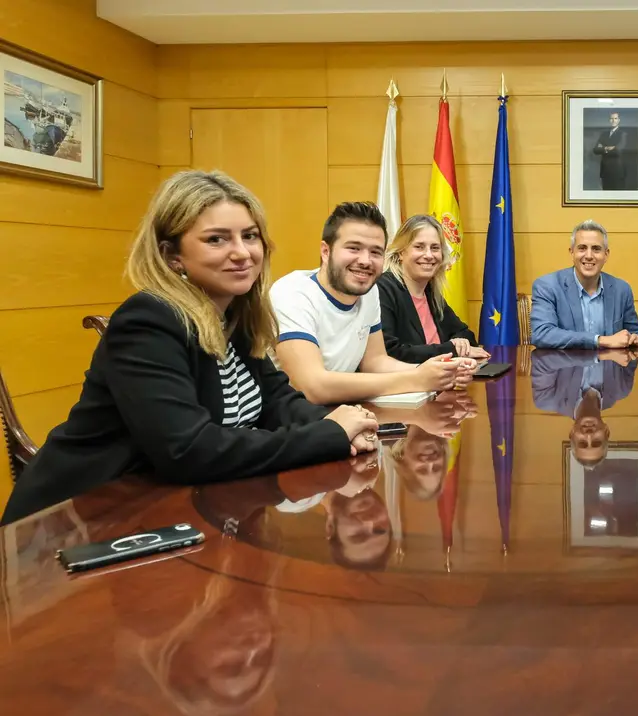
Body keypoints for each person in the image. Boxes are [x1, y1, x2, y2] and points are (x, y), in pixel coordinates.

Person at [0, 170, 381, 526]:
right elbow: (189, 450)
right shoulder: (148, 321)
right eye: (217, 239)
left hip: (172, 512)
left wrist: (345, 426)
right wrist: (327, 435)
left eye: (250, 236)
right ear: (172, 256)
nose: (242, 252)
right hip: (80, 522)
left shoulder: (236, 315)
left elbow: (278, 400)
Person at [269, 202, 473, 405]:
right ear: (326, 251)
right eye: (353, 248)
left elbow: (376, 362)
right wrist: (416, 378)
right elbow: (312, 387)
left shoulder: (369, 292)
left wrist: (442, 371)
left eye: (375, 252)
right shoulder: (292, 292)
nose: (365, 260)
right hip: (285, 422)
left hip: (339, 414)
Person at [377, 214, 490, 364]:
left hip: (440, 382)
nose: (429, 255)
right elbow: (391, 352)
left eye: (435, 248)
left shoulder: (429, 292)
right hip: (406, 385)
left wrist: (459, 343)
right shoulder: (383, 289)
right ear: (400, 253)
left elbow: (466, 334)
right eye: (419, 247)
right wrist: (451, 349)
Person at [530, 220, 638, 350]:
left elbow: (636, 331)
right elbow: (542, 334)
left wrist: (637, 339)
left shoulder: (621, 289)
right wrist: (600, 340)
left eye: (596, 249)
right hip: (563, 368)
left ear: (606, 255)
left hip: (610, 368)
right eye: (582, 248)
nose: (589, 256)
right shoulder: (547, 286)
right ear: (572, 253)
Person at [531, 347, 638, 469]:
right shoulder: (622, 387)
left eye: (582, 443)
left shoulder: (547, 398)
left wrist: (597, 354)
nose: (589, 435)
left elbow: (542, 359)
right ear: (606, 431)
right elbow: (633, 343)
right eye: (596, 442)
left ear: (572, 433)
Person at [593, 111, 628, 191]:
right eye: (611, 118)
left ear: (619, 120)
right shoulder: (604, 134)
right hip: (605, 171)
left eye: (615, 118)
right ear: (609, 120)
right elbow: (595, 150)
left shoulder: (623, 134)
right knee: (606, 197)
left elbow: (618, 150)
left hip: (617, 171)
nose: (613, 120)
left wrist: (603, 148)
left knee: (617, 198)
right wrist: (607, 148)